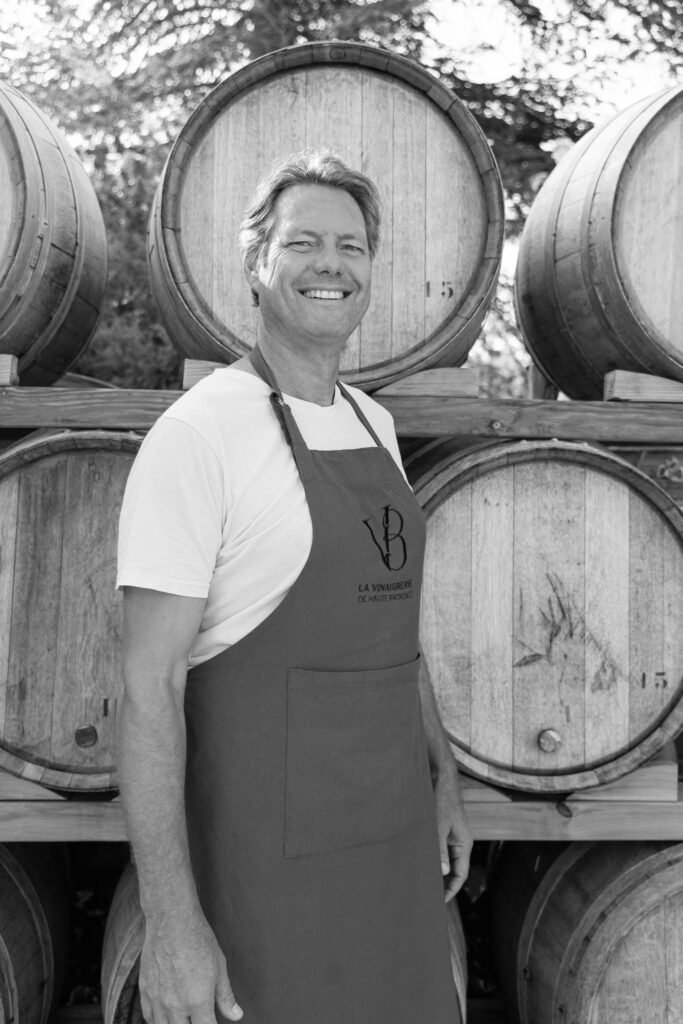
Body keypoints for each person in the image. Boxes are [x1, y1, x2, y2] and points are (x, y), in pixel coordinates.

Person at [116, 150, 473, 1024]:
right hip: (264, 865)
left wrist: (445, 776)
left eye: (350, 247)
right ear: (255, 264)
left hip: (391, 841)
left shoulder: (373, 422)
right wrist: (170, 922)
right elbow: (145, 688)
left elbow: (396, 633)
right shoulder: (199, 435)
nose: (330, 264)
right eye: (302, 241)